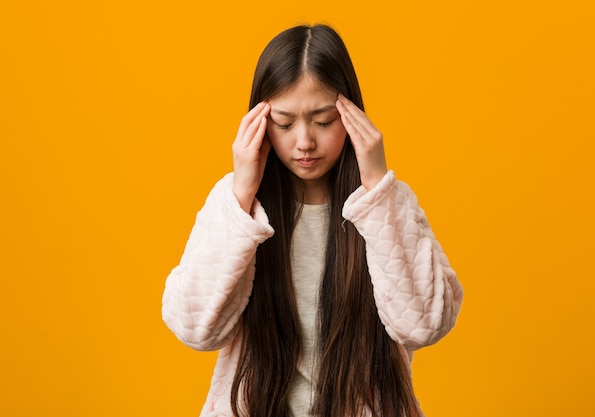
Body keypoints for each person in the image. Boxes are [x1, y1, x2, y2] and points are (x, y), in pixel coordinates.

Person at [162, 24, 463, 417]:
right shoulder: (238, 205)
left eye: (323, 121)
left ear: (351, 114)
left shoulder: (385, 202)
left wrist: (377, 192)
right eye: (284, 124)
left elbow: (424, 325)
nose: (304, 141)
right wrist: (241, 196)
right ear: (259, 122)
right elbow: (196, 328)